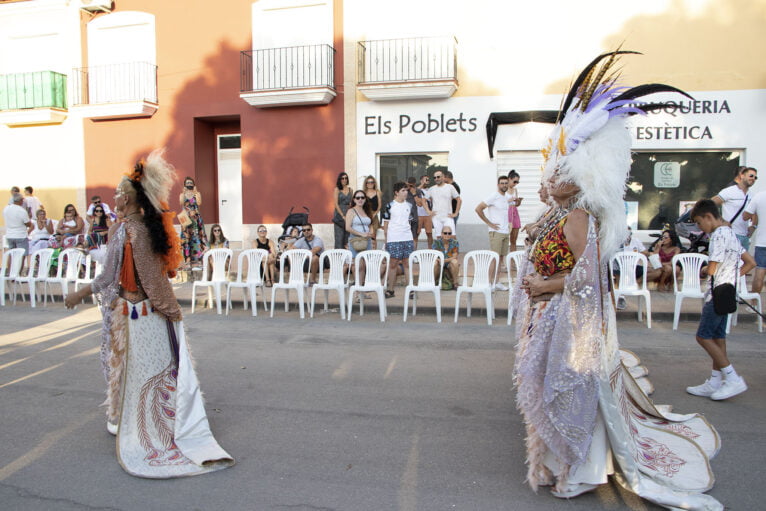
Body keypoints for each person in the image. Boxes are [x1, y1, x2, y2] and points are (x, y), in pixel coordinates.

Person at [511, 51, 721, 509]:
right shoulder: (562, 213)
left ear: (581, 178)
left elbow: (589, 278)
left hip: (566, 318)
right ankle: (552, 462)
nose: (551, 176)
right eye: (552, 170)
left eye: (561, 170)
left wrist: (547, 286)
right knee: (549, 391)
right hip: (549, 316)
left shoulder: (579, 216)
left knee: (569, 392)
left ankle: (581, 470)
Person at [63, 150, 233, 478]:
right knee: (151, 371)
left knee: (127, 370)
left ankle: (130, 424)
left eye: (117, 193)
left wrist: (78, 294)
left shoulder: (128, 231)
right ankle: (146, 420)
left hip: (132, 314)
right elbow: (156, 277)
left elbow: (108, 278)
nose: (113, 198)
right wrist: (169, 310)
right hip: (145, 313)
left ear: (127, 199)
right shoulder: (143, 228)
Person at [686, 199, 755, 401]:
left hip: (716, 293)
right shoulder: (732, 234)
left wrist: (704, 270)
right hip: (729, 291)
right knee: (718, 337)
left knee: (703, 336)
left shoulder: (717, 235)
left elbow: (713, 267)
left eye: (699, 223)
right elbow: (751, 263)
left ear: (708, 217)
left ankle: (732, 378)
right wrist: (732, 277)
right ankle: (716, 380)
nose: (700, 228)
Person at [475, 174, 510, 291]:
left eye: (506, 183)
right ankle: (489, 283)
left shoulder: (506, 197)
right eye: (502, 183)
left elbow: (514, 204)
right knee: (494, 258)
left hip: (505, 231)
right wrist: (489, 223)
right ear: (498, 185)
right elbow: (478, 209)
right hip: (496, 232)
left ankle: (497, 282)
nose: (504, 185)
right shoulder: (493, 196)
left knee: (500, 258)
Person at [382, 182, 415, 298]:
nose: (406, 193)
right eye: (403, 191)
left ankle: (411, 290)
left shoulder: (409, 205)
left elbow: (410, 221)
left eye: (406, 190)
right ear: (396, 192)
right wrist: (386, 240)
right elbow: (385, 224)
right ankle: (391, 290)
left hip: (407, 238)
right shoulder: (390, 205)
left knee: (407, 263)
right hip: (394, 238)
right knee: (393, 264)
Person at [712, 165, 757, 250]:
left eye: (755, 177)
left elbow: (756, 213)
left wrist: (753, 226)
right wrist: (722, 221)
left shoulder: (751, 195)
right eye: (751, 176)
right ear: (742, 175)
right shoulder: (729, 191)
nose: (753, 178)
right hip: (730, 234)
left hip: (745, 237)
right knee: (730, 262)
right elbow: (709, 205)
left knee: (745, 263)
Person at [613, 226, 647, 309]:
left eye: (629, 233)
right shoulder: (615, 243)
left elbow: (644, 252)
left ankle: (626, 289)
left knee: (647, 270)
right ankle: (620, 295)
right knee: (618, 267)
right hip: (620, 267)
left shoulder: (636, 241)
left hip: (634, 266)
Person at [179, 176, 208, 270]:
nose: (189, 185)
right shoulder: (182, 194)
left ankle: (198, 261)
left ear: (193, 184)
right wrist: (184, 193)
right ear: (185, 185)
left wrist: (195, 193)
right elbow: (181, 202)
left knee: (197, 239)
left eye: (190, 183)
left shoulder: (197, 194)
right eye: (187, 183)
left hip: (196, 219)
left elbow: (199, 203)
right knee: (186, 240)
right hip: (186, 220)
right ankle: (187, 262)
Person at [742, 175, 765, 293]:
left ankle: (754, 305)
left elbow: (745, 216)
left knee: (760, 273)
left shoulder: (759, 196)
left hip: (762, 243)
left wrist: (756, 218)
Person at [346, 190, 374, 287]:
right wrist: (361, 234)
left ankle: (361, 288)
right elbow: (348, 227)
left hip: (367, 241)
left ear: (365, 199)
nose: (360, 199)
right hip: (355, 241)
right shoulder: (351, 211)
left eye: (362, 197)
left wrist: (371, 231)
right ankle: (357, 290)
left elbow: (370, 224)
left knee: (364, 266)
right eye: (358, 198)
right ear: (354, 199)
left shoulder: (366, 210)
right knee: (358, 266)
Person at [3, 192, 32, 269]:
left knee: (11, 254)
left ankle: (10, 272)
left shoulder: (6, 209)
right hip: (21, 235)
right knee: (21, 255)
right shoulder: (21, 211)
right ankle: (18, 273)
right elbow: (28, 224)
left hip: (9, 234)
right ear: (20, 201)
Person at [428, 170, 460, 237]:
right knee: (439, 237)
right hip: (436, 217)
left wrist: (456, 213)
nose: (436, 179)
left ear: (443, 177)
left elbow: (459, 200)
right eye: (435, 177)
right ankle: (440, 248)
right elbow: (423, 200)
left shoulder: (450, 187)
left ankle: (453, 248)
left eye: (438, 177)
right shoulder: (432, 189)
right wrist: (428, 211)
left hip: (448, 216)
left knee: (452, 236)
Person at [332, 171, 352, 249]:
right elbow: (336, 204)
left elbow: (351, 203)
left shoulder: (350, 190)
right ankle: (338, 257)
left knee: (348, 236)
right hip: (339, 214)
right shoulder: (337, 189)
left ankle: (347, 257)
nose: (344, 180)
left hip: (348, 213)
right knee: (339, 237)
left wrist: (350, 214)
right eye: (342, 178)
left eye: (346, 178)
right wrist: (343, 215)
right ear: (340, 180)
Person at [363, 175, 383, 249]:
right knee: (365, 235)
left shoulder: (377, 192)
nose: (370, 184)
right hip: (365, 215)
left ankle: (374, 253)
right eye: (368, 182)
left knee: (373, 236)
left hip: (374, 215)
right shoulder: (363, 193)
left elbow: (380, 205)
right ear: (366, 184)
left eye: (372, 182)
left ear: (374, 183)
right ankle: (366, 253)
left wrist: (375, 213)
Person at [405, 177, 425, 247]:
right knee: (404, 237)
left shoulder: (418, 191)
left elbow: (420, 204)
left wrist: (414, 194)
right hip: (404, 217)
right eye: (408, 185)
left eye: (411, 185)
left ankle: (413, 254)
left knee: (414, 237)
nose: (409, 187)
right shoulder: (403, 190)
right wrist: (405, 190)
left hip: (414, 217)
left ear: (414, 184)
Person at [506, 170, 524, 252]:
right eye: (514, 181)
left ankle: (513, 260)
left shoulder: (515, 190)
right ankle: (503, 260)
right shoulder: (504, 189)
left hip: (514, 212)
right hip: (506, 213)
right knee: (504, 239)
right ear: (509, 179)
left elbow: (516, 205)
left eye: (517, 182)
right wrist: (509, 200)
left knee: (514, 240)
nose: (515, 184)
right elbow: (500, 202)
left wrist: (518, 201)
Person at [416, 174, 434, 249]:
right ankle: (414, 251)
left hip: (428, 215)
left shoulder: (431, 190)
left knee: (429, 234)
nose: (427, 181)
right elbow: (414, 192)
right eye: (425, 179)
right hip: (418, 215)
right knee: (416, 234)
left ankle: (430, 250)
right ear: (421, 180)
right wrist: (422, 184)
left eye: (428, 180)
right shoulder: (417, 189)